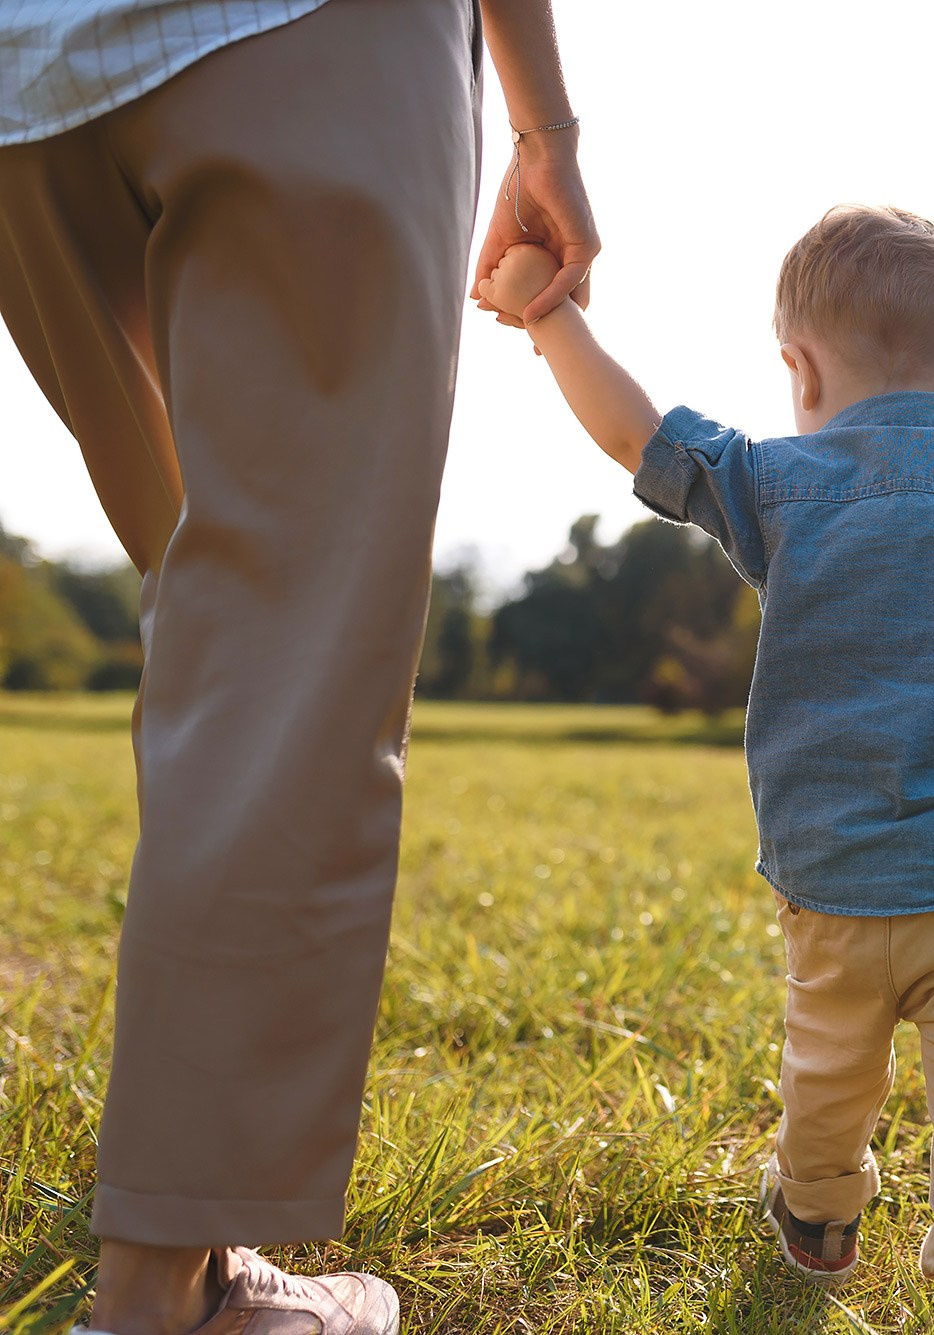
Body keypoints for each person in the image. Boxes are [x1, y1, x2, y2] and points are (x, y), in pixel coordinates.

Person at [0, 3, 597, 1332]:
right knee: (280, 657)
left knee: (211, 619)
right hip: (298, 37)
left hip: (26, 96)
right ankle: (163, 1291)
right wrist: (545, 128)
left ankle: (198, 1255)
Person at [474, 206, 934, 1335]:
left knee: (827, 1069)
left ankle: (817, 1215)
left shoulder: (778, 482)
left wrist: (547, 317)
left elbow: (638, 437)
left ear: (797, 368)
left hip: (833, 879)